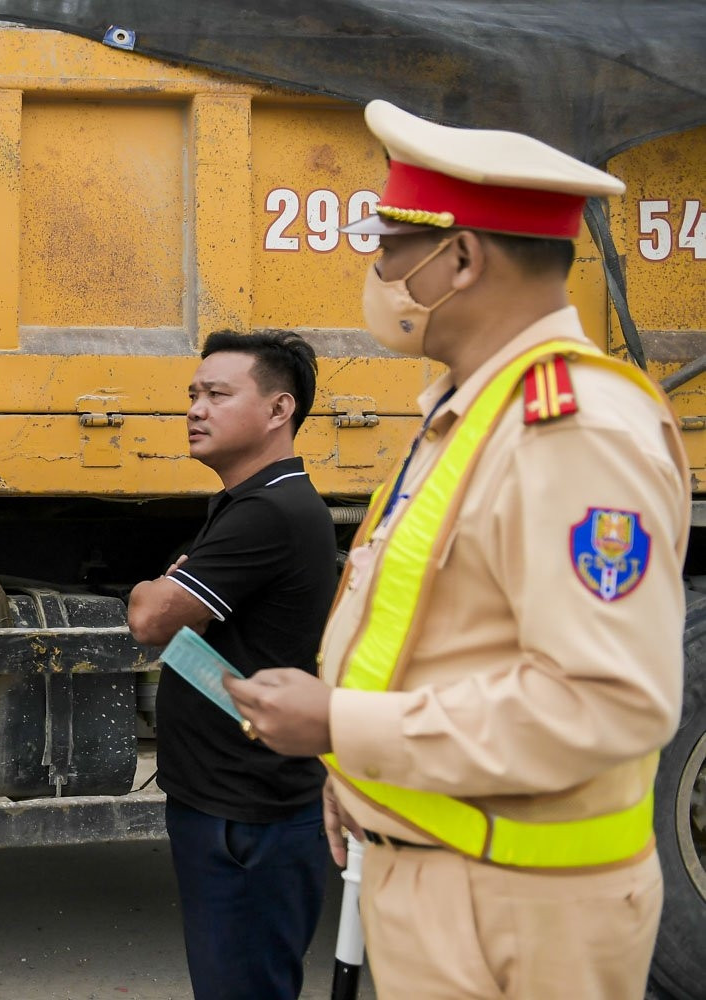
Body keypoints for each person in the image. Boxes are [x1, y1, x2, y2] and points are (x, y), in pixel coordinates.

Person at [223, 100, 690, 1000]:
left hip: (518, 917)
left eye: (391, 248)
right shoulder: (473, 411)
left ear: (461, 258)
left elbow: (604, 703)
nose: (376, 269)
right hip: (460, 881)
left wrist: (341, 725)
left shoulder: (572, 432)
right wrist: (359, 770)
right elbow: (451, 639)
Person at [127, 330, 338, 1000]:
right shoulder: (250, 503)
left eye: (218, 394)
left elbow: (150, 620)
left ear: (279, 411)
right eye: (193, 394)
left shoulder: (271, 511)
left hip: (247, 819)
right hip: (233, 809)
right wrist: (167, 593)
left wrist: (151, 590)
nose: (195, 409)